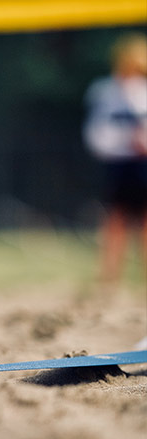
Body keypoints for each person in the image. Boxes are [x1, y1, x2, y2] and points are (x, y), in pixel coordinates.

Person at [83, 33, 147, 287]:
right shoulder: (105, 91)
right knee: (115, 217)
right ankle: (110, 275)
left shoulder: (143, 92)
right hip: (118, 162)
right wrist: (120, 143)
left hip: (142, 162)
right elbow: (96, 131)